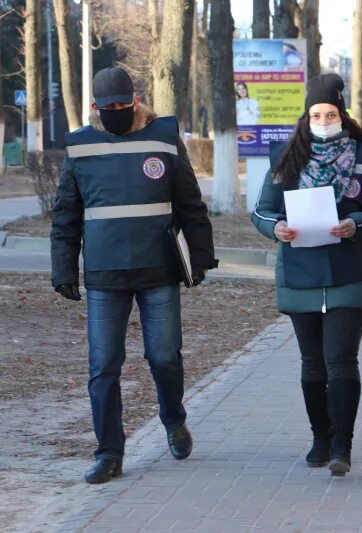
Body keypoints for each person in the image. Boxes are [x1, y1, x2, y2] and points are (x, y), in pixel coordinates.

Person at [50, 67, 218, 484]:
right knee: (103, 366)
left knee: (164, 357)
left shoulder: (163, 137)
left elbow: (190, 203)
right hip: (106, 276)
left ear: (137, 100)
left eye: (124, 106)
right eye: (109, 109)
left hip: (159, 269)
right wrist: (63, 269)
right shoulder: (79, 147)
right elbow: (66, 215)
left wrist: (201, 257)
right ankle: (109, 453)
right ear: (95, 108)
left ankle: (174, 419)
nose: (117, 113)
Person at [251, 73, 362, 477]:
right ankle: (320, 437)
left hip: (349, 271)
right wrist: (276, 227)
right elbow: (261, 210)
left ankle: (342, 443)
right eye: (315, 114)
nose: (323, 120)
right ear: (305, 118)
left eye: (330, 113)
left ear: (342, 114)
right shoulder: (286, 155)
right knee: (312, 363)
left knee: (341, 359)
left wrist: (355, 224)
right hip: (300, 271)